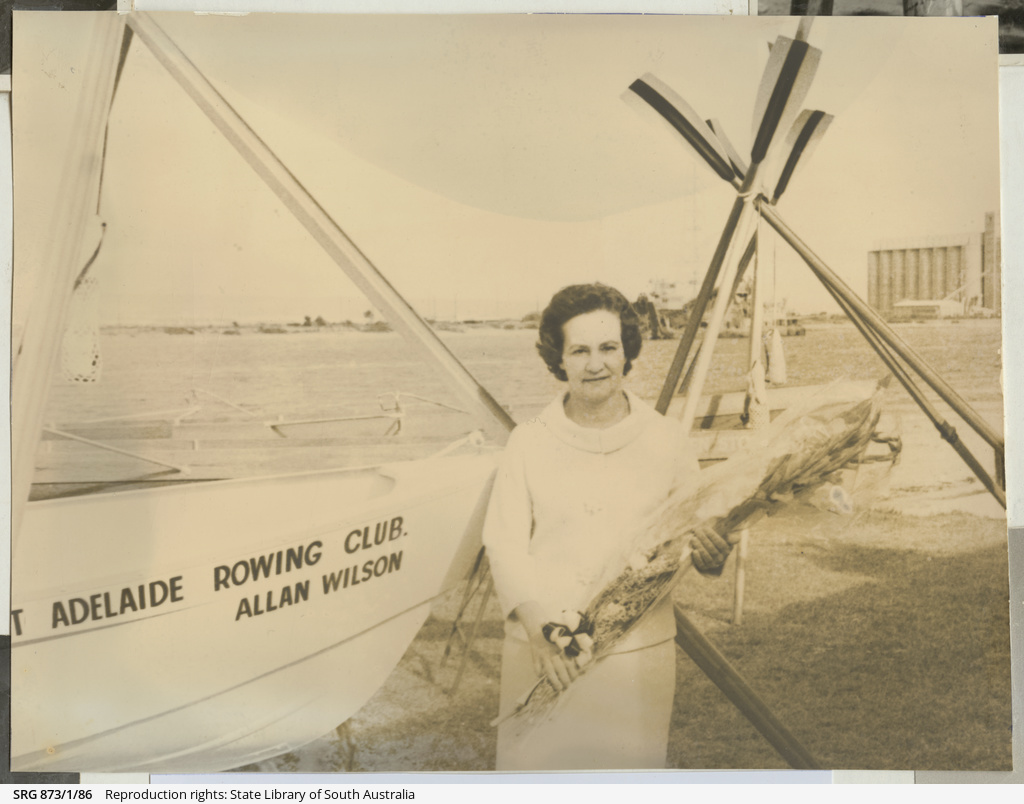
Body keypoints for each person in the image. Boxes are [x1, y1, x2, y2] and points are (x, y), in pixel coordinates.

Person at [482, 283, 733, 771]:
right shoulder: (528, 442)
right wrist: (539, 634)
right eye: (579, 350)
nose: (595, 364)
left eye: (608, 348)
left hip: (636, 658)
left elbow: (701, 534)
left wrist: (713, 553)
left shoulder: (667, 439)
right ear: (558, 358)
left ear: (626, 352)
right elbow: (504, 544)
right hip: (543, 655)